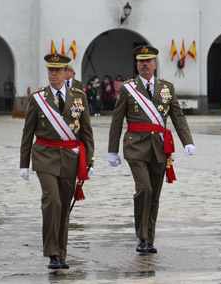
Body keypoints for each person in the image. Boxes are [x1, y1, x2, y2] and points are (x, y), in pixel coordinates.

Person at [108, 45, 196, 254]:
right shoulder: (127, 88)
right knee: (144, 189)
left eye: (148, 61)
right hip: (135, 147)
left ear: (155, 64)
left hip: (159, 148)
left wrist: (187, 141)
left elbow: (177, 116)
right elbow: (117, 120)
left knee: (154, 195)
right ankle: (141, 235)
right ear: (137, 65)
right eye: (140, 61)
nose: (144, 64)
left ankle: (149, 238)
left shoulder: (167, 87)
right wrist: (112, 149)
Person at [19, 52, 94, 270]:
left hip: (70, 158)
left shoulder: (79, 97)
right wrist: (24, 163)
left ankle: (61, 252)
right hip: (45, 155)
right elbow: (27, 133)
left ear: (65, 73)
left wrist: (89, 159)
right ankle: (51, 252)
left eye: (58, 70)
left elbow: (86, 132)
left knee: (64, 206)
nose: (54, 74)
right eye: (50, 70)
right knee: (52, 201)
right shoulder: (38, 98)